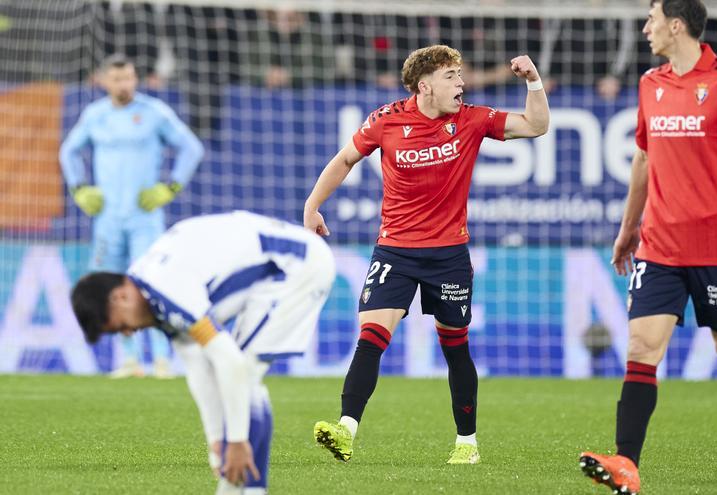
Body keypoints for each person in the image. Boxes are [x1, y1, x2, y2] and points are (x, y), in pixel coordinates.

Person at [578, 1, 717, 495]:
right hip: (659, 248)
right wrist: (629, 227)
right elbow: (644, 160)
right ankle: (626, 464)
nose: (645, 27)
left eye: (651, 19)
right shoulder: (650, 83)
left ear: (676, 26)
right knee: (641, 347)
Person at [304, 44, 549, 465]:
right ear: (425, 85)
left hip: (449, 255)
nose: (461, 82)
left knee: (455, 347)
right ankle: (346, 428)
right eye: (451, 75)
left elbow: (535, 125)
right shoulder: (386, 120)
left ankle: (466, 443)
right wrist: (312, 207)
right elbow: (345, 159)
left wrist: (533, 82)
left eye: (460, 74)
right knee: (371, 338)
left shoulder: (472, 119)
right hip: (395, 250)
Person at [69, 211, 336, 494]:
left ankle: (237, 489)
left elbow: (228, 360)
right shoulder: (152, 295)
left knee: (243, 373)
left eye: (118, 325)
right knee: (244, 381)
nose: (126, 333)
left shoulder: (165, 288)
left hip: (297, 267)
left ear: (119, 297)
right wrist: (216, 440)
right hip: (279, 268)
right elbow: (197, 366)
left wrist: (234, 441)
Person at [60, 54, 204, 379]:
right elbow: (68, 151)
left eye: (129, 78)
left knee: (151, 284)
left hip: (145, 215)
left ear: (135, 79)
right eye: (117, 79)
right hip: (108, 218)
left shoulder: (154, 112)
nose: (124, 85)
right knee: (111, 286)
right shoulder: (95, 116)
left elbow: (191, 147)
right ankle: (129, 360)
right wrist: (80, 187)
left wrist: (170, 187)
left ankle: (163, 360)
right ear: (103, 81)